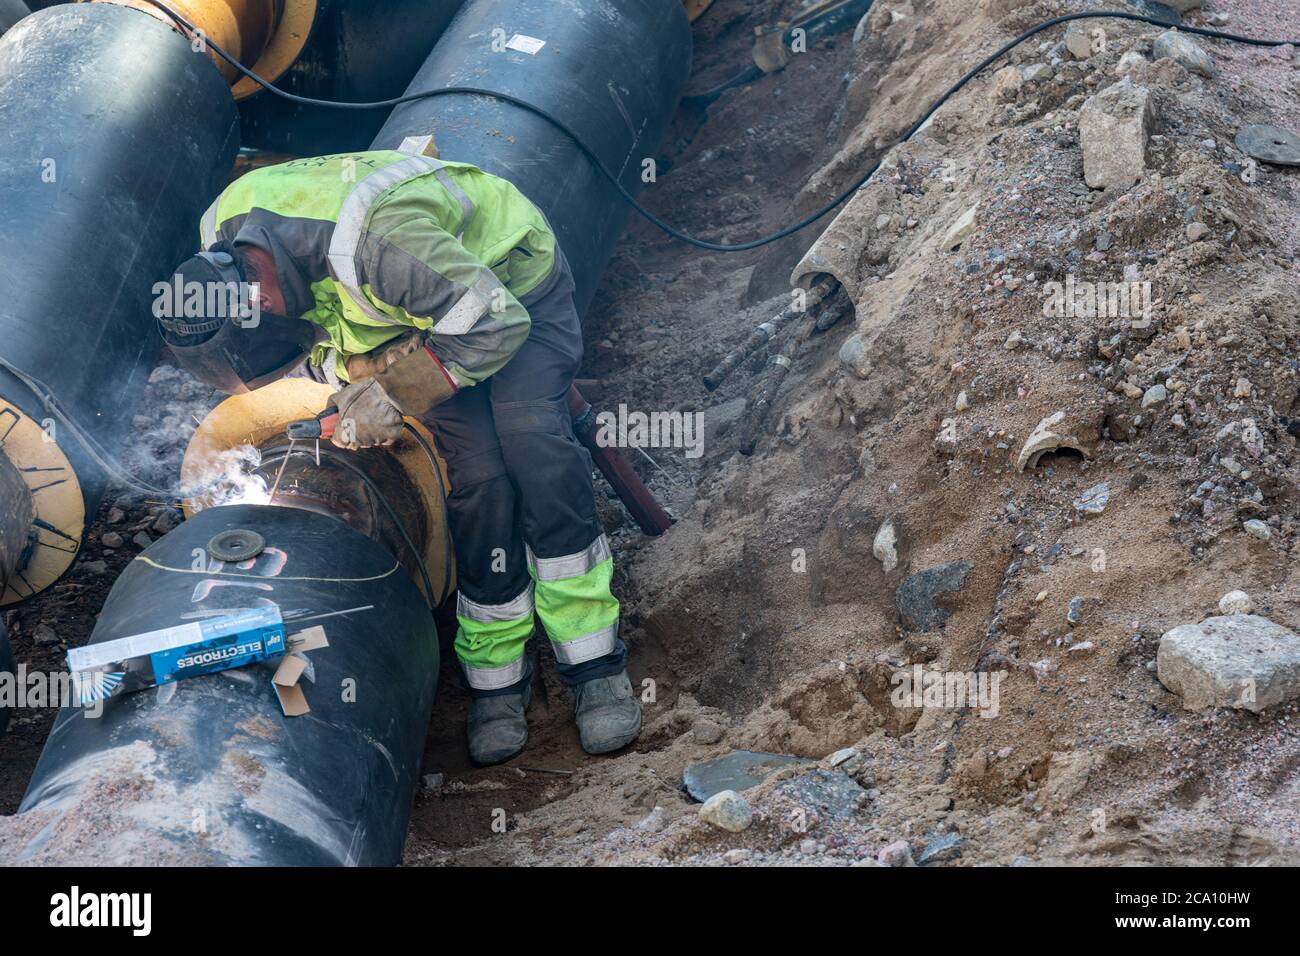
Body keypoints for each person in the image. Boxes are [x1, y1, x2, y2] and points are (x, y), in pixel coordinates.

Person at [158, 149, 641, 764]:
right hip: (412, 322)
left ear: (257, 296)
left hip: (509, 292)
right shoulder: (219, 244)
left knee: (532, 447)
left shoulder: (376, 249)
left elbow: (496, 324)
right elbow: (318, 350)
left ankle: (594, 664)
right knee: (480, 478)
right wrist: (355, 386)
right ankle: (499, 677)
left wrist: (390, 393)